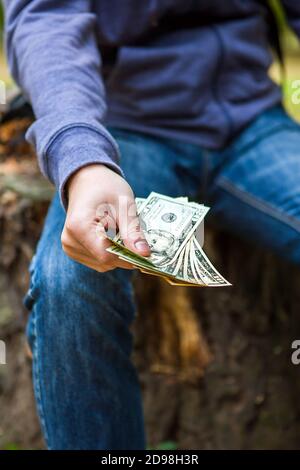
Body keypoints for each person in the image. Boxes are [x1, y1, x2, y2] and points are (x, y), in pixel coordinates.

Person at [3, 0, 300, 450]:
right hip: (127, 128)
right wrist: (82, 157)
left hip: (254, 119)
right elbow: (45, 20)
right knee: (69, 281)